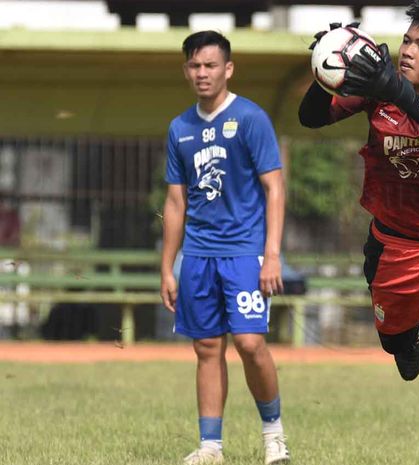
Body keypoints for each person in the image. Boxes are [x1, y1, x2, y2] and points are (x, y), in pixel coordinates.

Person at [299, 1, 419, 464]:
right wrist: (327, 65)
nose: (407, 51)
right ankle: (404, 338)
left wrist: (398, 91)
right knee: (393, 344)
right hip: (392, 248)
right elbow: (311, 116)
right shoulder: (376, 88)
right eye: (407, 40)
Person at [160, 30, 290, 465]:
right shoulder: (179, 128)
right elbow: (176, 201)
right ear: (186, 71)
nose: (202, 73)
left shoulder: (250, 119)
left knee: (250, 343)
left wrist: (271, 254)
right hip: (196, 256)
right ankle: (211, 446)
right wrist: (167, 267)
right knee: (207, 348)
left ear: (227, 69)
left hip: (244, 253)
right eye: (195, 66)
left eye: (210, 65)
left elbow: (275, 187)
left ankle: (274, 434)